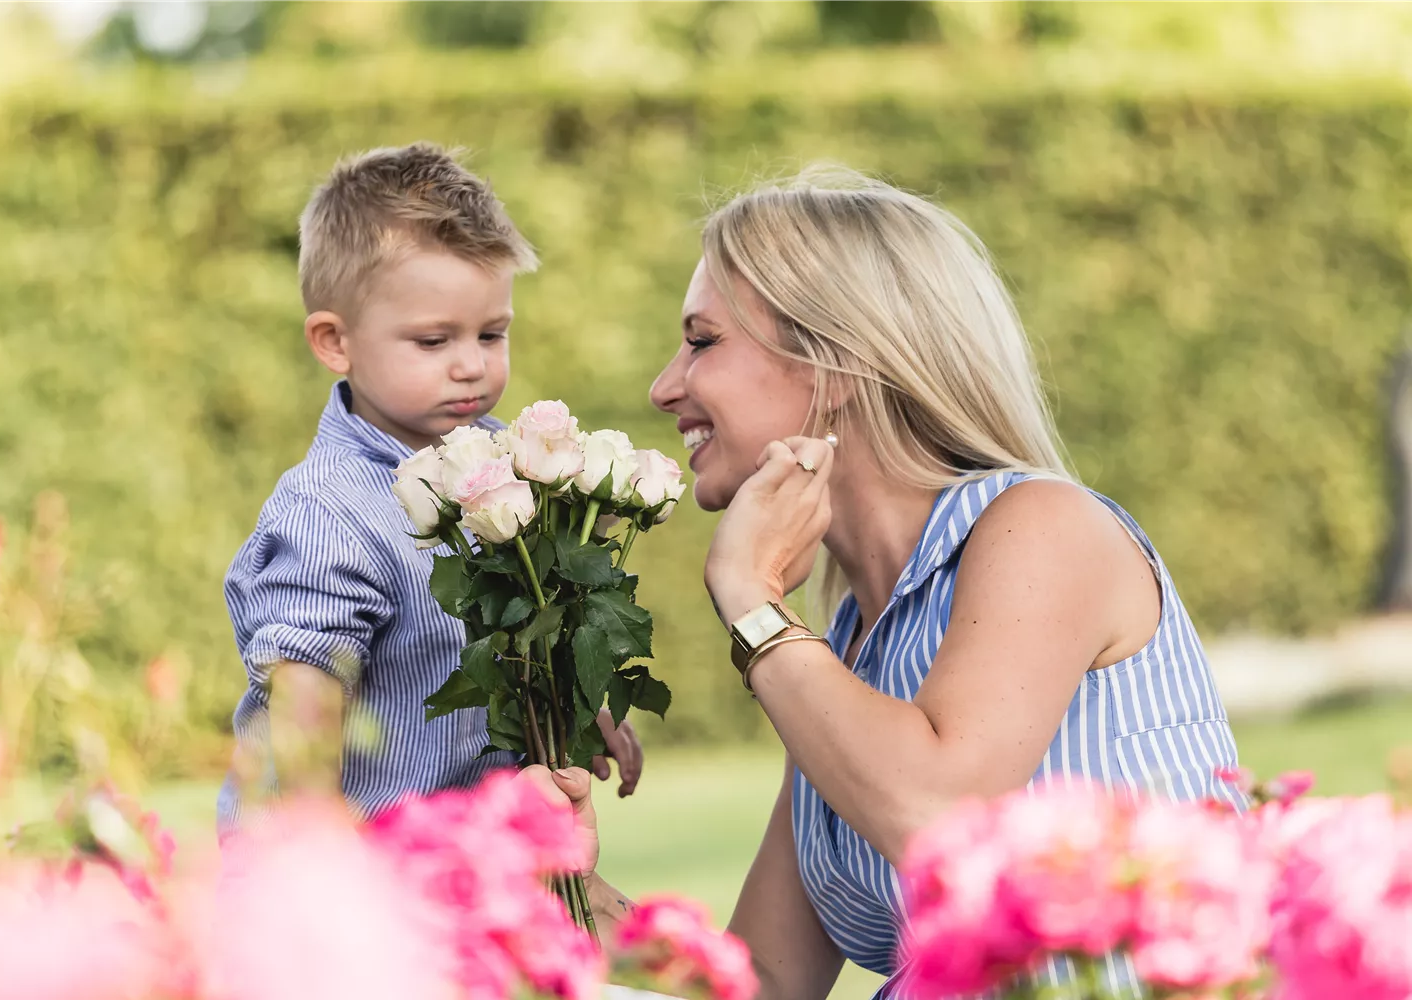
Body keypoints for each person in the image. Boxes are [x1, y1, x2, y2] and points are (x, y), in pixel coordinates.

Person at [525, 166, 1243, 998]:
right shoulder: (843, 652)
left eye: (702, 341)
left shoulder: (1041, 529)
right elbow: (759, 981)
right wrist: (566, 890)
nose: (664, 386)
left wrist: (753, 600)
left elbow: (939, 819)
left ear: (833, 364)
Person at [218, 143, 641, 836]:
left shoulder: (508, 462)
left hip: (477, 859)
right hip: (365, 874)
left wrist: (580, 709)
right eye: (433, 341)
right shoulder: (330, 516)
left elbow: (520, 630)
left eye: (492, 333)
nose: (471, 365)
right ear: (334, 341)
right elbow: (303, 732)